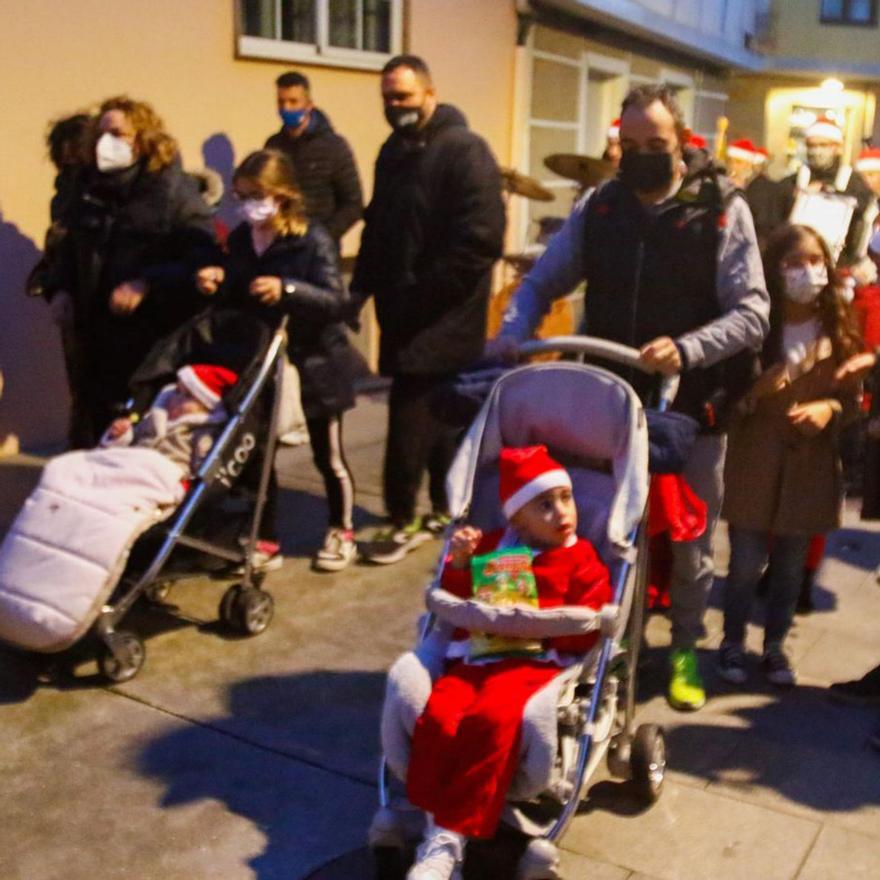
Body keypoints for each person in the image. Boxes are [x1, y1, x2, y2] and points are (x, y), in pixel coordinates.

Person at [492, 84, 770, 711]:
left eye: (657, 145)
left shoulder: (722, 209)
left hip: (690, 408)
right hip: (607, 400)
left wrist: (689, 348)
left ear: (682, 145)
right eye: (632, 144)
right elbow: (542, 280)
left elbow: (753, 313)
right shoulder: (601, 208)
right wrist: (514, 330)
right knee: (601, 528)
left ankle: (683, 651)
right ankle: (615, 637)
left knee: (689, 545)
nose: (643, 155)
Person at [387, 445, 613, 879]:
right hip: (478, 655)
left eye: (566, 498)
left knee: (493, 718)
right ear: (517, 518)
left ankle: (446, 843)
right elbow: (457, 598)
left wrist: (542, 626)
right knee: (441, 714)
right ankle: (439, 829)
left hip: (536, 663)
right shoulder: (497, 547)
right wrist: (460, 563)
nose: (562, 511)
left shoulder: (582, 558)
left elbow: (589, 625)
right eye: (544, 505)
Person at [351, 54, 506, 565]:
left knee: (410, 412)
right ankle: (442, 506)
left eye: (404, 96)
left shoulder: (465, 151)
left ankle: (401, 517)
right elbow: (376, 228)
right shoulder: (392, 152)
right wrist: (360, 290)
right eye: (388, 98)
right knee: (438, 412)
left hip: (445, 311)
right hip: (402, 307)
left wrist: (423, 293)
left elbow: (480, 240)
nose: (395, 106)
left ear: (430, 93)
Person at [195, 149, 358, 573]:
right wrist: (219, 279)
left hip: (317, 361)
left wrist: (287, 289)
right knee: (258, 456)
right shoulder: (241, 239)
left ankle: (342, 530)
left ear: (282, 195)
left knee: (329, 455)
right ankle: (264, 538)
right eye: (242, 195)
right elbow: (236, 286)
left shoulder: (311, 238)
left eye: (258, 194)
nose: (250, 205)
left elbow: (336, 300)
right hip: (264, 360)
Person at [718, 224, 862, 686]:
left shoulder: (840, 326)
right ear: (773, 270)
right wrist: (755, 394)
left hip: (809, 468)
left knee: (788, 570)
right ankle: (732, 642)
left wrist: (830, 408)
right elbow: (725, 404)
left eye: (815, 261)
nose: (807, 272)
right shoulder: (756, 325)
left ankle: (775, 646)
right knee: (743, 565)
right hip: (756, 462)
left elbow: (855, 399)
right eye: (794, 263)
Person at [46, 95, 216, 447]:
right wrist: (60, 289)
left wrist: (147, 282)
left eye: (119, 134)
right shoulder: (88, 188)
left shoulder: (172, 190)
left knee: (138, 434)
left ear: (143, 139)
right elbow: (70, 248)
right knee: (98, 428)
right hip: (97, 331)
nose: (108, 143)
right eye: (102, 134)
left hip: (151, 340)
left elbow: (202, 256)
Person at [264, 71, 363, 245]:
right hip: (281, 244)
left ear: (309, 105)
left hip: (321, 250)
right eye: (281, 102)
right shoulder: (273, 146)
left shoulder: (334, 147)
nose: (286, 108)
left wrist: (322, 237)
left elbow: (353, 204)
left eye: (293, 102)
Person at [102, 363, 237, 479]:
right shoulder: (155, 418)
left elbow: (202, 466)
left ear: (206, 408)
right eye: (177, 391)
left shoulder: (202, 431)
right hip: (128, 464)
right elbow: (132, 439)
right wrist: (120, 436)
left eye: (188, 396)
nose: (175, 398)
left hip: (163, 476)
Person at [778, 117, 875, 273]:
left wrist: (829, 192)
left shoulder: (853, 182)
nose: (816, 150)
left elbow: (864, 211)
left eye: (823, 145)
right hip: (796, 265)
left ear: (837, 147)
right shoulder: (791, 181)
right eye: (811, 145)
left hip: (840, 267)